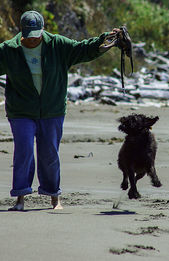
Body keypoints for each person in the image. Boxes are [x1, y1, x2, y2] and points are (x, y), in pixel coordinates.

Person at [0, 10, 117, 211]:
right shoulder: (8, 50)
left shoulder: (58, 45)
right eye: (28, 37)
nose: (32, 40)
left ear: (43, 30)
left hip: (52, 110)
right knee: (24, 151)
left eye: (36, 36)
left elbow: (84, 49)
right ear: (22, 32)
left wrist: (106, 40)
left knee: (49, 154)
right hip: (21, 111)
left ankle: (54, 197)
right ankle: (20, 198)